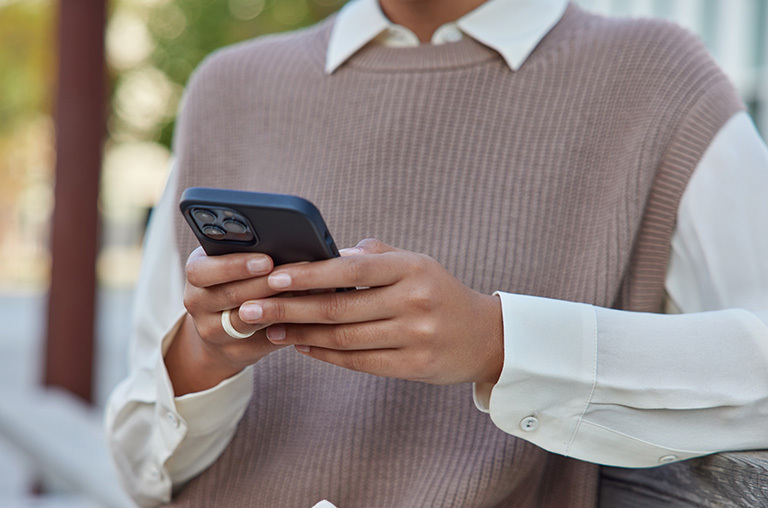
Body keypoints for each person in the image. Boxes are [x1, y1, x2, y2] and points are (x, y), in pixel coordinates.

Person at [105, 0, 768, 506]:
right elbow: (141, 471)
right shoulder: (231, 87)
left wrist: (498, 342)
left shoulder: (657, 78)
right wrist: (207, 356)